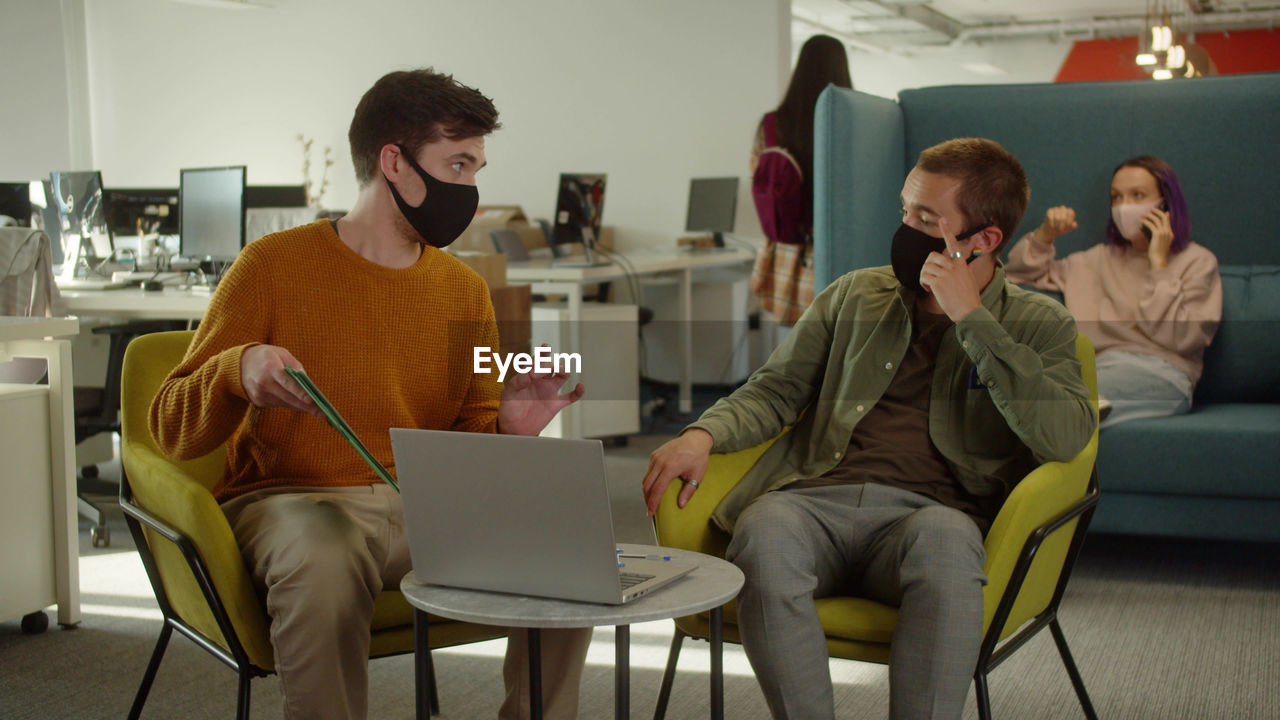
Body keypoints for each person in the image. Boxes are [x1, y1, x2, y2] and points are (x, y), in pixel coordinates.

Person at [149, 68, 591, 720]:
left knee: (562, 544)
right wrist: (236, 371)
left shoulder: (462, 289)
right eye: (459, 164)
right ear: (395, 162)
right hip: (293, 503)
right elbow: (168, 427)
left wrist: (510, 433)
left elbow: (468, 442)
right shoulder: (271, 266)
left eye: (477, 167)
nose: (471, 188)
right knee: (322, 553)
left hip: (424, 505)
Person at [643, 138, 1095, 720]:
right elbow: (776, 390)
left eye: (927, 219)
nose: (907, 229)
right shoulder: (856, 294)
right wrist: (700, 435)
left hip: (931, 515)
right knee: (764, 530)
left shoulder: (1040, 324)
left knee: (946, 548)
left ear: (983, 240)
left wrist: (973, 322)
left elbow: (1064, 437)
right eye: (905, 211)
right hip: (815, 499)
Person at [1005, 155, 1221, 428]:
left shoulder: (1198, 262)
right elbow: (1017, 276)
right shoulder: (1093, 261)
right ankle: (1075, 415)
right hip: (1095, 370)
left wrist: (1159, 266)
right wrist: (1044, 235)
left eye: (1138, 195)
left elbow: (1179, 338)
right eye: (1116, 197)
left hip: (1163, 376)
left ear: (1166, 205)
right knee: (1029, 395)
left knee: (1050, 401)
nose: (1124, 206)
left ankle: (1075, 411)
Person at [750, 34, 852, 329]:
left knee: (798, 351)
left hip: (787, 252)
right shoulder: (852, 122)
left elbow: (758, 175)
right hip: (839, 247)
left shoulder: (772, 124)